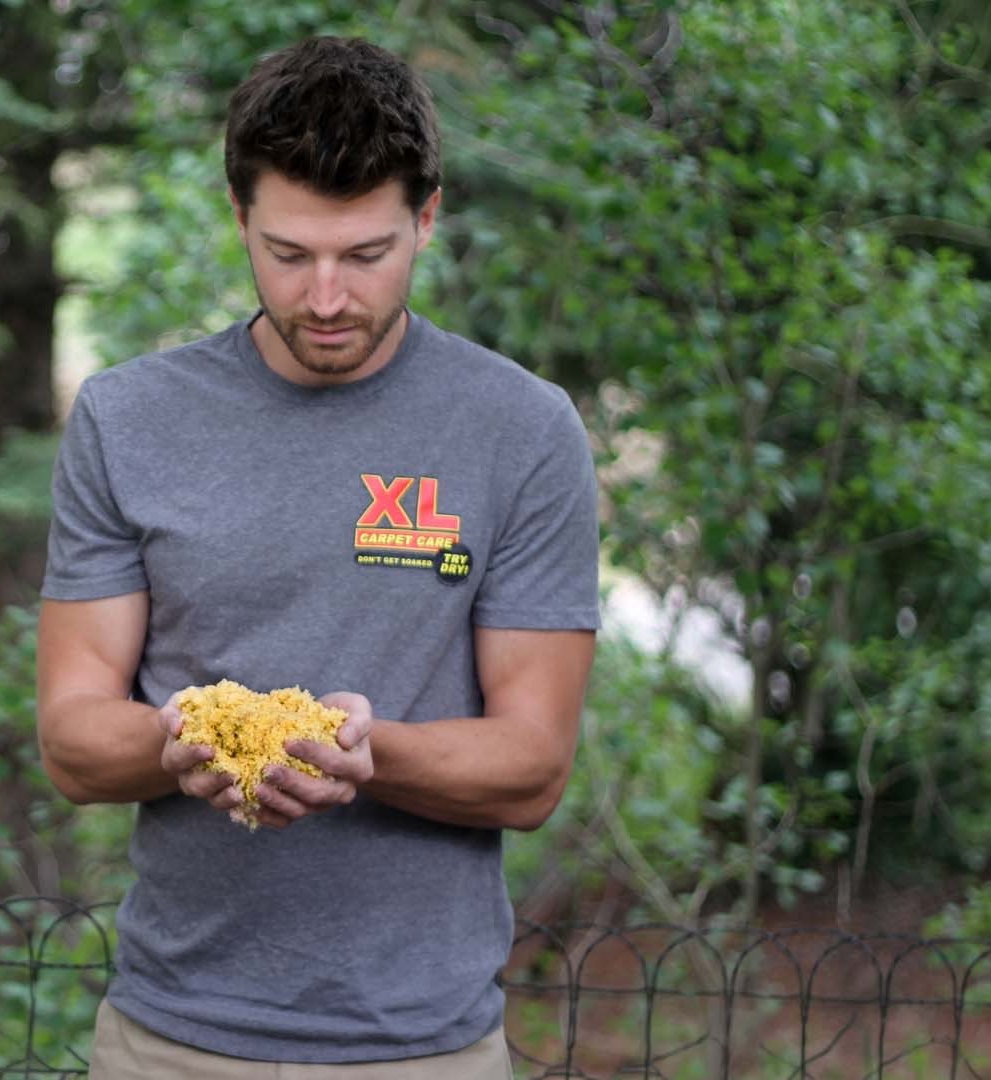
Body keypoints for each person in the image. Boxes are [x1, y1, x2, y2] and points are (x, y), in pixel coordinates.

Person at [36, 34, 599, 1078]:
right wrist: (185, 742)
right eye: (289, 255)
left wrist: (367, 754)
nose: (327, 298)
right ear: (240, 219)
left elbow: (532, 767)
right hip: (170, 1041)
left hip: (422, 1048)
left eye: (365, 255)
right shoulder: (129, 419)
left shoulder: (521, 431)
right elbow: (72, 739)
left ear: (426, 219)